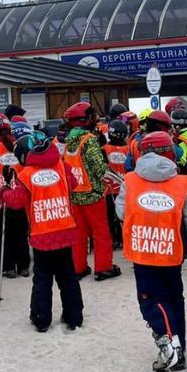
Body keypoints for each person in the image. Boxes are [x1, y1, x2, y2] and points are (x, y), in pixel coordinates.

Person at [116, 131, 187, 372]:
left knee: (150, 299)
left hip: (143, 250)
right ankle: (179, 347)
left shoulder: (130, 180)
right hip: (172, 250)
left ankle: (168, 344)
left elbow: (121, 212)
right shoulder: (182, 182)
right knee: (174, 298)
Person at [1, 133, 84, 332]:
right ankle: (74, 317)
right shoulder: (62, 166)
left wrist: (5, 190)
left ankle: (41, 318)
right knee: (68, 277)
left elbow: (16, 201)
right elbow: (73, 183)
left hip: (42, 234)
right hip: (64, 229)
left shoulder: (26, 175)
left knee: (43, 279)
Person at [62, 102, 120, 281]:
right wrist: (114, 176)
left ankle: (78, 267)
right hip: (93, 194)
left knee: (79, 233)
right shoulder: (88, 140)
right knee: (101, 232)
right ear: (84, 119)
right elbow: (99, 169)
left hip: (75, 194)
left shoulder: (67, 142)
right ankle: (103, 267)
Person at [0, 113, 30, 278]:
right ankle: (24, 266)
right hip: (18, 195)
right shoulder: (18, 144)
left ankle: (7, 267)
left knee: (3, 235)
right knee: (20, 233)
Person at [104, 120, 130, 249]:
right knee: (122, 214)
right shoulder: (128, 148)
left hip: (111, 188)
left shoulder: (104, 149)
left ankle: (114, 238)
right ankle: (120, 238)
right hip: (123, 187)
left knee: (110, 216)